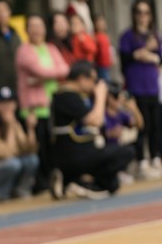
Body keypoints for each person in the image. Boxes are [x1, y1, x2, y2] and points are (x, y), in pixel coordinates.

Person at [49, 61, 135, 199]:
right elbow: (95, 121)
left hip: (83, 150)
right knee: (127, 152)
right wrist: (101, 96)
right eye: (92, 80)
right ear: (82, 78)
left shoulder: (77, 96)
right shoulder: (66, 96)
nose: (94, 84)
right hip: (74, 154)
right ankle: (75, 179)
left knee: (112, 185)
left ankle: (80, 182)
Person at [15, 15, 71, 192]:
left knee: (54, 146)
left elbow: (65, 69)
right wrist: (48, 73)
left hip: (51, 105)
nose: (37, 30)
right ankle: (40, 184)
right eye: (33, 26)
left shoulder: (50, 48)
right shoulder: (24, 51)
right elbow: (39, 70)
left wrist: (44, 75)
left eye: (40, 25)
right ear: (26, 30)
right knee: (39, 148)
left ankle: (55, 180)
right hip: (33, 108)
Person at [118, 1, 161, 177]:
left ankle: (156, 157)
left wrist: (147, 55)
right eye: (140, 12)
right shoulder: (128, 36)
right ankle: (142, 160)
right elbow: (126, 59)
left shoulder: (154, 35)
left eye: (146, 12)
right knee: (141, 125)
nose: (143, 16)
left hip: (153, 87)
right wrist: (145, 52)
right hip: (136, 87)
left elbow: (158, 59)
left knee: (156, 125)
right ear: (134, 14)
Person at [93, 14, 114, 82]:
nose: (101, 25)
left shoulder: (106, 36)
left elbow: (110, 49)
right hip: (100, 65)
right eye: (99, 23)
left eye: (102, 23)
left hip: (107, 64)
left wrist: (112, 58)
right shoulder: (95, 36)